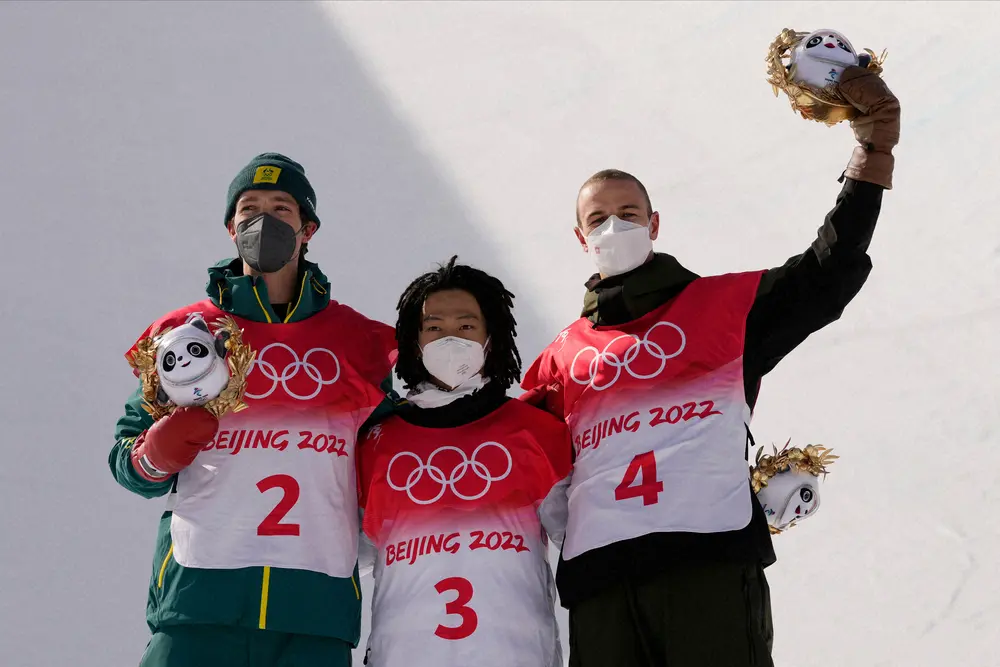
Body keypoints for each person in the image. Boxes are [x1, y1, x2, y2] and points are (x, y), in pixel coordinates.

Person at [520, 66, 900, 666]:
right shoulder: (558, 359)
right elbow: (511, 459)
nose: (614, 226)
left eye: (628, 212)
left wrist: (873, 151)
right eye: (598, 219)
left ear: (654, 224)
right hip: (602, 582)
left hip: (709, 563)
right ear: (579, 237)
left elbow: (827, 271)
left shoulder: (724, 309)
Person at [109, 153, 397, 667]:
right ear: (230, 227)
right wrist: (157, 451)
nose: (263, 220)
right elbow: (127, 460)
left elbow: (389, 459)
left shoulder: (364, 343)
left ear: (308, 228)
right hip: (199, 601)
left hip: (315, 609)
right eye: (249, 208)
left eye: (281, 208)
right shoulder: (183, 335)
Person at [357, 256, 572, 667]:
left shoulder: (536, 431)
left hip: (515, 656)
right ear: (412, 340)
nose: (449, 338)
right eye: (434, 328)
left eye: (466, 326)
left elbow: (582, 538)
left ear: (493, 337)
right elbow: (349, 553)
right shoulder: (376, 442)